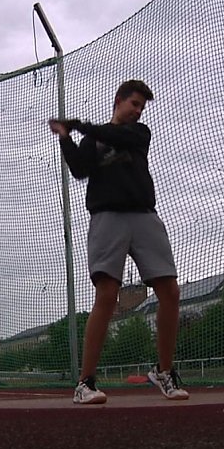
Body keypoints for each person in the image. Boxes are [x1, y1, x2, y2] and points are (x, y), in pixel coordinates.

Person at [48, 79, 189, 404]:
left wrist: (80, 125)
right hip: (107, 217)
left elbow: (113, 135)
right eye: (134, 104)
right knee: (108, 295)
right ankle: (85, 383)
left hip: (143, 215)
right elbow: (80, 170)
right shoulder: (92, 139)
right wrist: (66, 137)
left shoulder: (139, 134)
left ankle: (164, 372)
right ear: (119, 100)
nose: (138, 111)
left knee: (170, 290)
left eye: (141, 107)